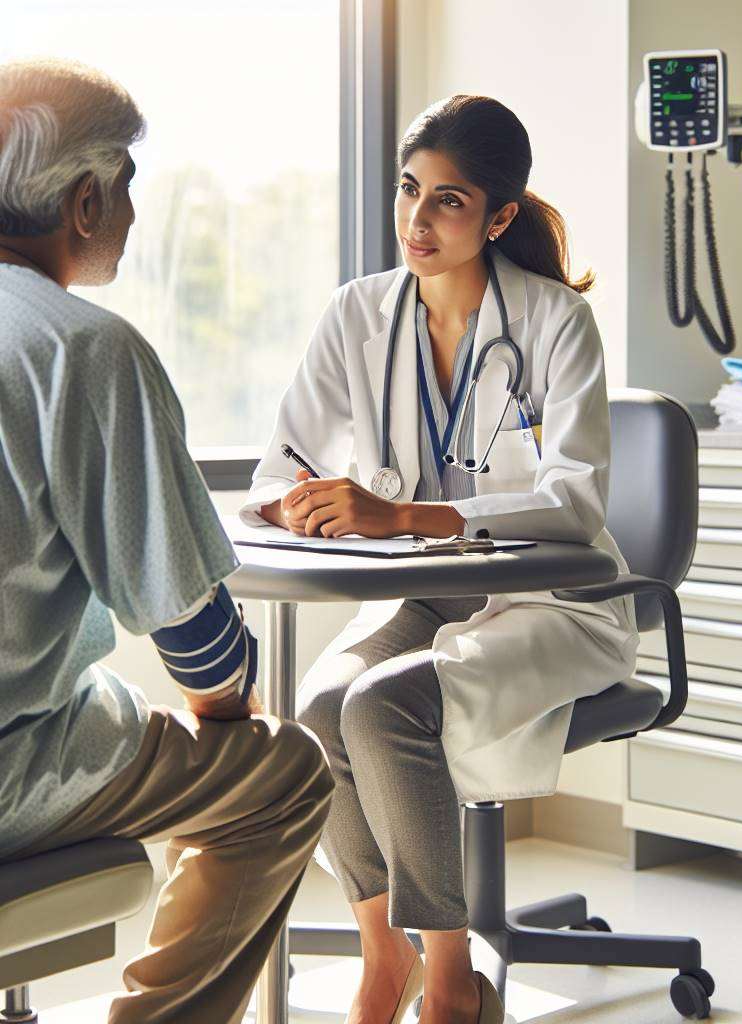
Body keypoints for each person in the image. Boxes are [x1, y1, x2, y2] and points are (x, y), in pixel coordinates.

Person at [241, 94, 639, 1024]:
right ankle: (387, 955)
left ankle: (452, 975)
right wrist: (303, 502)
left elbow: (575, 502)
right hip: (427, 595)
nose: (417, 222)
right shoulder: (359, 313)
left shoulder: (553, 323)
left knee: (383, 706)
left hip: (551, 598)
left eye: (449, 201)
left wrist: (405, 515)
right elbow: (278, 465)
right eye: (408, 191)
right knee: (316, 711)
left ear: (499, 216)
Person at [0, 59, 334, 1024]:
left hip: (46, 712)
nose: (136, 212)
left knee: (100, 692)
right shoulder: (82, 349)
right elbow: (192, 634)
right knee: (282, 772)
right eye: (130, 186)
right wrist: (239, 709)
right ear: (86, 198)